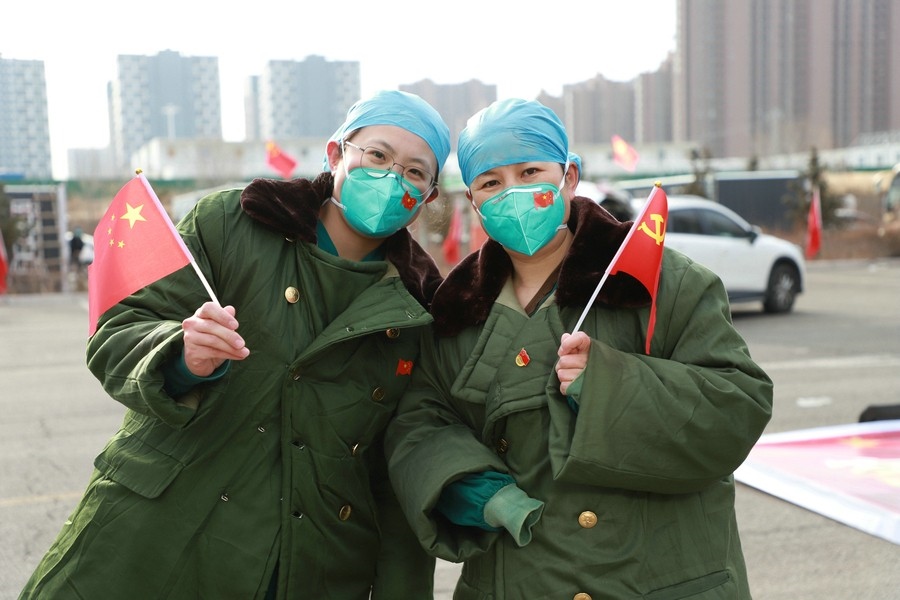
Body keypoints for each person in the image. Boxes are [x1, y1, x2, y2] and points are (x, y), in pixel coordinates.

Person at [20, 90, 451, 600]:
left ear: (428, 196)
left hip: (310, 566)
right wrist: (181, 355)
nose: (392, 179)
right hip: (157, 536)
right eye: (377, 155)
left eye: (414, 172)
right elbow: (120, 329)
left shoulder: (423, 309)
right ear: (336, 154)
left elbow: (398, 474)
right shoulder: (232, 223)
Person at [384, 98, 774, 599]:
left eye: (530, 172)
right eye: (491, 183)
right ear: (474, 201)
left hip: (661, 577)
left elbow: (738, 405)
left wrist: (607, 385)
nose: (513, 193)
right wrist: (472, 488)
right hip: (518, 579)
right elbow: (420, 419)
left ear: (569, 176)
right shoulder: (454, 311)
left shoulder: (661, 282)